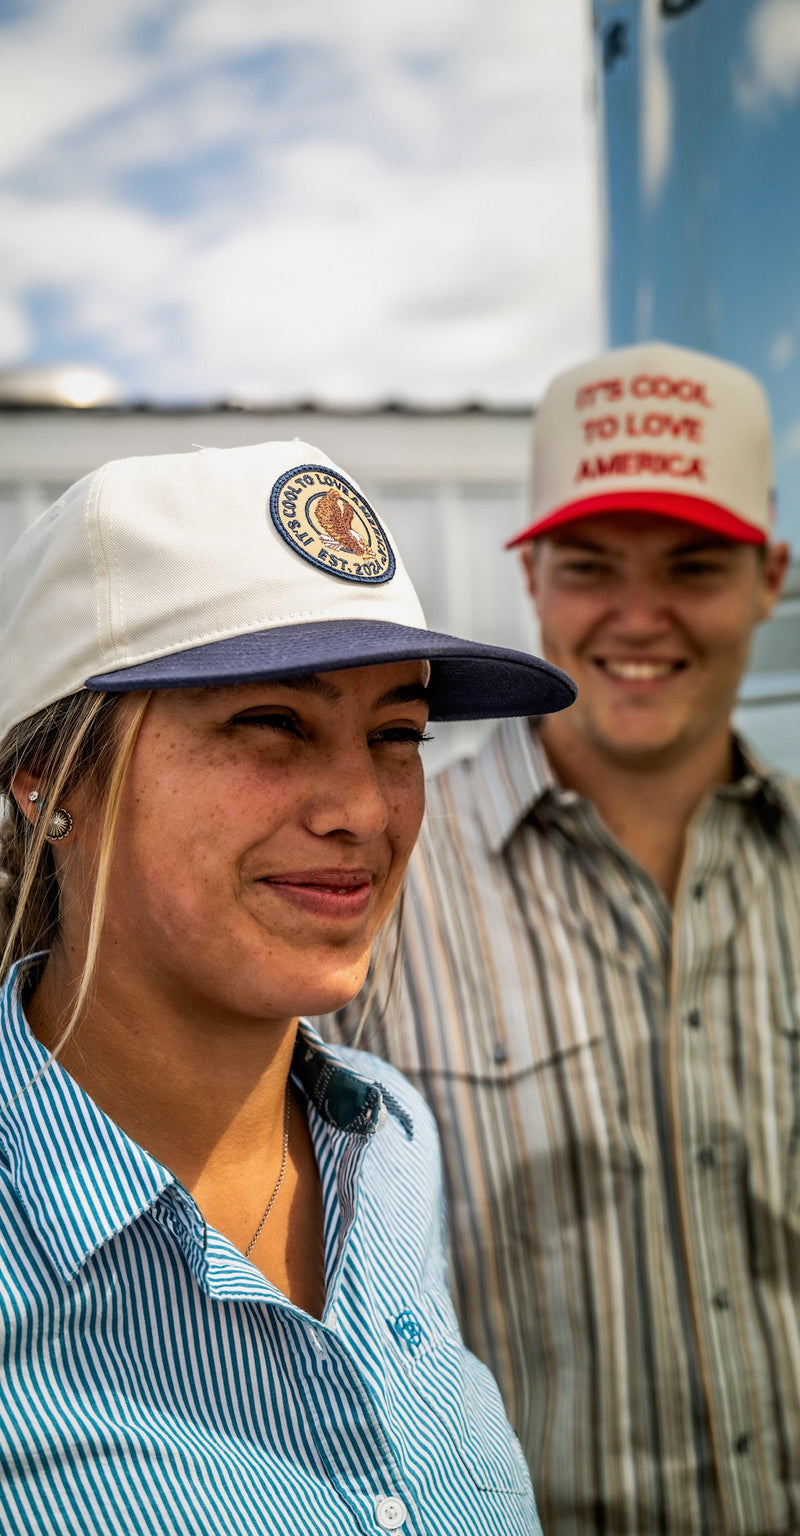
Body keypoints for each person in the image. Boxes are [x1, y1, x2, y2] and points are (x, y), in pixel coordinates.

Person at [334, 342, 800, 1535]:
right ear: (533, 576)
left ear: (770, 580)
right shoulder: (374, 887)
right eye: (591, 566)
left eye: (695, 567)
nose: (637, 617)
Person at [0, 439, 577, 1534]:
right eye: (271, 723)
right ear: (47, 776)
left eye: (397, 733)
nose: (363, 806)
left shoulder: (389, 1141)